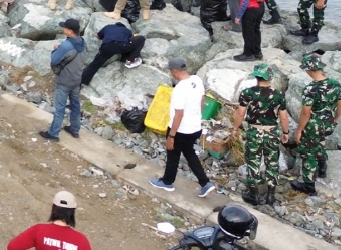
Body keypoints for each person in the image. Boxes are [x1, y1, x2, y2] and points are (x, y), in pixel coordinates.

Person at [150, 57, 216, 197]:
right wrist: (197, 116)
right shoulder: (196, 80)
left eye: (171, 71)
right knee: (190, 153)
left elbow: (178, 114)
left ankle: (167, 182)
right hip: (195, 127)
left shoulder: (179, 89)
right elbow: (202, 99)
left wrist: (172, 136)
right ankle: (205, 183)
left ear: (174, 71)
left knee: (173, 154)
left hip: (181, 129)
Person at [230, 64, 289, 206]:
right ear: (270, 77)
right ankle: (270, 196)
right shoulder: (278, 95)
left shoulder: (247, 93)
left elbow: (240, 113)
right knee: (272, 162)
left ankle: (253, 195)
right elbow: (284, 117)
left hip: (254, 131)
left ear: (256, 76)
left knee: (253, 161)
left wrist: (235, 128)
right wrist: (285, 132)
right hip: (272, 132)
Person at [291, 52, 341, 195]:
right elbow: (340, 104)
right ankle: (322, 167)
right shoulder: (334, 83)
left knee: (308, 153)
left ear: (309, 70)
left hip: (314, 125)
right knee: (319, 141)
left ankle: (309, 186)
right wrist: (336, 119)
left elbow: (305, 113)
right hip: (328, 123)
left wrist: (299, 131)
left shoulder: (310, 89)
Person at [40, 19, 86, 141]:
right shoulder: (82, 41)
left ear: (70, 31)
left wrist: (56, 49)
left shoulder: (66, 46)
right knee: (75, 105)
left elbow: (54, 60)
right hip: (76, 80)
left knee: (59, 107)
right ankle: (74, 130)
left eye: (65, 28)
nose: (63, 29)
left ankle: (53, 133)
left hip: (64, 81)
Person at [7, 191, 92, 250]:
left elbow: (13, 247)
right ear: (72, 212)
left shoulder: (38, 230)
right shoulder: (81, 241)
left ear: (53, 208)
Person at [81, 22, 145, 87]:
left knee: (94, 65)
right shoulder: (127, 31)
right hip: (122, 45)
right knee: (141, 39)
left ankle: (82, 82)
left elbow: (98, 36)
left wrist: (94, 34)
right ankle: (130, 60)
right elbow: (130, 42)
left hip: (106, 46)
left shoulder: (108, 27)